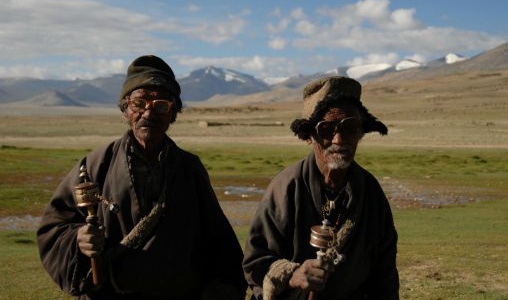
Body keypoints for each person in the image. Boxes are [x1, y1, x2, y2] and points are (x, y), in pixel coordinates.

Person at [37, 55, 247, 299]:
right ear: (126, 109)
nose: (149, 112)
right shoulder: (95, 165)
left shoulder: (190, 168)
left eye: (160, 104)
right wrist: (78, 240)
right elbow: (54, 227)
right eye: (139, 102)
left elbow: (219, 241)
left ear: (173, 113)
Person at [242, 76, 399, 299]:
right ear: (309, 136)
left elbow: (385, 274)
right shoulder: (286, 188)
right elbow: (254, 263)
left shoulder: (370, 192)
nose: (338, 139)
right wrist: (293, 274)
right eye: (326, 129)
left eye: (350, 127)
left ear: (361, 133)